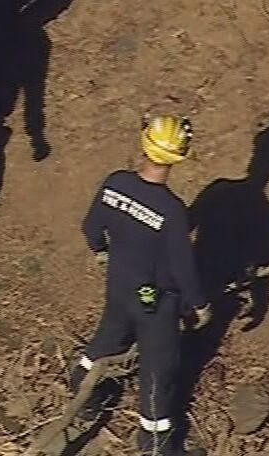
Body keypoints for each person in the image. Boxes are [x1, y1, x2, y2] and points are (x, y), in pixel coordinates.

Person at [73, 115, 209, 456]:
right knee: (157, 366)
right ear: (180, 155)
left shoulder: (115, 183)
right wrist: (199, 304)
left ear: (144, 144)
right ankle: (156, 444)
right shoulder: (171, 211)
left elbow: (91, 227)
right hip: (152, 298)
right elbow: (182, 266)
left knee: (109, 334)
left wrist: (102, 253)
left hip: (119, 284)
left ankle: (82, 387)